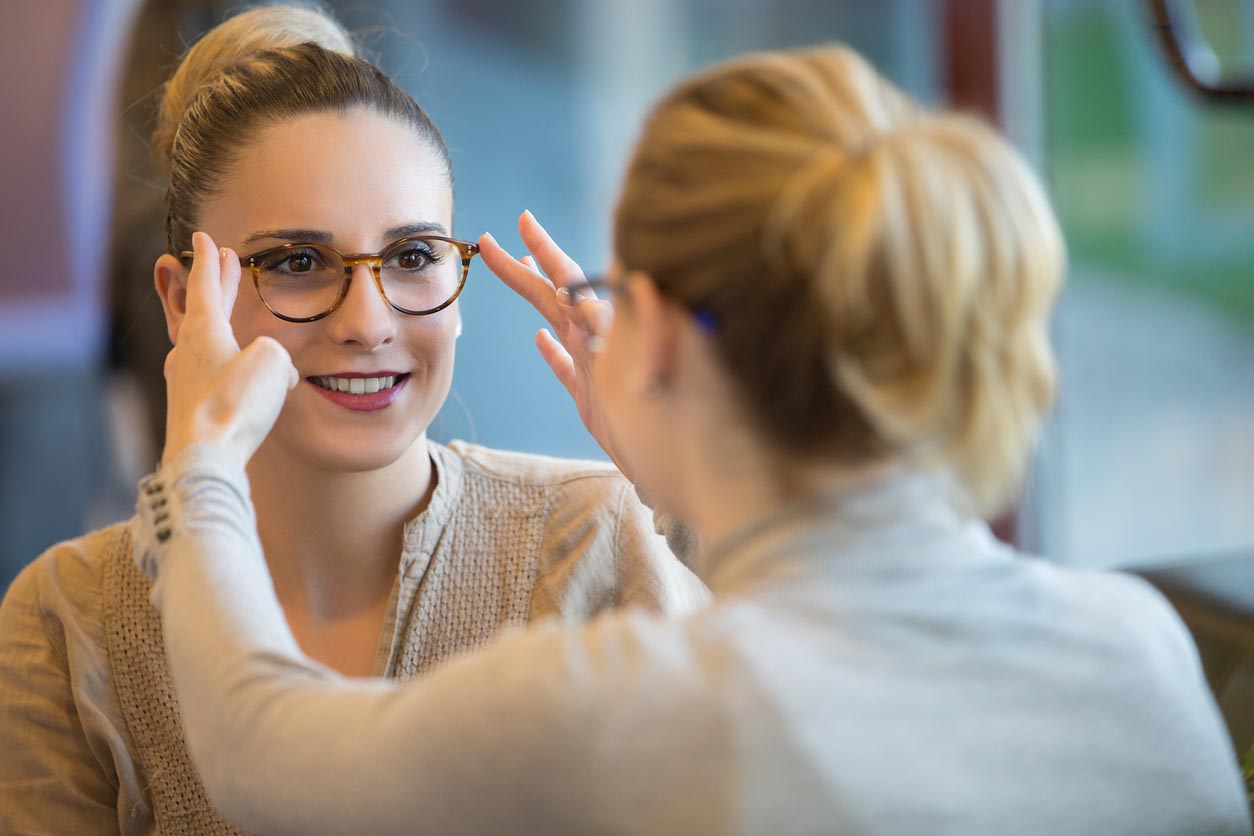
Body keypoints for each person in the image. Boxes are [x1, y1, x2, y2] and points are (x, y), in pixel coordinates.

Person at [132, 41, 1251, 836]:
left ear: (655, 331)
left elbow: (254, 748)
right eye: (296, 261)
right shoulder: (1137, 647)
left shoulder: (626, 709)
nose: (369, 313)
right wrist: (679, 476)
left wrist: (202, 463)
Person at [0, 7, 706, 835]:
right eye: (297, 263)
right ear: (183, 301)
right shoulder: (67, 620)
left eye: (412, 258)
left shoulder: (602, 542)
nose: (368, 322)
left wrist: (694, 496)